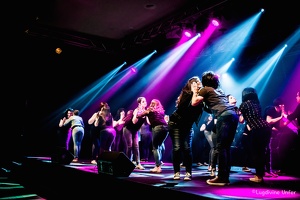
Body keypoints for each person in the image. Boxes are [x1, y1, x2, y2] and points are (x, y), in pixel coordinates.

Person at [192, 71, 238, 186]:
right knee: (226, 147)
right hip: (233, 115)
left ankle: (221, 177)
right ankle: (225, 176)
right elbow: (211, 108)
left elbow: (193, 103)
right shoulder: (219, 91)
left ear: (205, 81)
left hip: (224, 116)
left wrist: (194, 92)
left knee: (220, 147)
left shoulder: (205, 89)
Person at [169, 76, 204, 181]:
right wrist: (193, 92)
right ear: (191, 85)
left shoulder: (201, 96)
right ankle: (177, 172)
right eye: (195, 83)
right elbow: (182, 107)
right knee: (177, 148)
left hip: (187, 126)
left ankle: (188, 172)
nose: (197, 84)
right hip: (175, 124)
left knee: (187, 149)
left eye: (198, 83)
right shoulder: (186, 94)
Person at [239, 87, 272, 183]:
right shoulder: (257, 104)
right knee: (262, 153)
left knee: (256, 153)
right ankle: (260, 175)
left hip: (257, 129)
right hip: (266, 128)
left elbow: (241, 120)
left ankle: (258, 177)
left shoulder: (244, 104)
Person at [137, 99, 169, 173]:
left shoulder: (150, 110)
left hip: (157, 128)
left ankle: (158, 167)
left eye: (152, 103)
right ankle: (158, 163)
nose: (150, 104)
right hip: (166, 128)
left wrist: (140, 110)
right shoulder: (161, 111)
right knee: (160, 145)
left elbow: (139, 116)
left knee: (155, 147)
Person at [264, 97, 292, 176]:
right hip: (264, 131)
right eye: (282, 105)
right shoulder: (271, 110)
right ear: (279, 105)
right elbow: (268, 121)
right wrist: (280, 117)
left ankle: (268, 171)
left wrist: (289, 119)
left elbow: (281, 126)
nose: (283, 107)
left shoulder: (280, 113)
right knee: (266, 151)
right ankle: (265, 171)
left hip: (270, 133)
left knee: (269, 151)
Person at [123, 97, 148, 170]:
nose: (145, 102)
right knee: (130, 146)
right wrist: (138, 113)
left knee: (136, 146)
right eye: (143, 101)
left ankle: (138, 163)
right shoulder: (136, 110)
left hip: (135, 130)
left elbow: (148, 122)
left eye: (145, 101)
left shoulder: (145, 112)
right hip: (128, 129)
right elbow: (134, 121)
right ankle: (128, 162)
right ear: (139, 103)